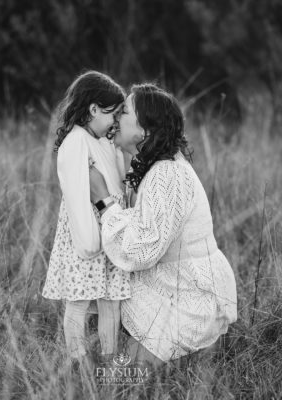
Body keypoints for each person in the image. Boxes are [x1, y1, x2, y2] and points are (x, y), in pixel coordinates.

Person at [89, 83, 238, 364]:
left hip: (190, 300)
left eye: (124, 112)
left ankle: (196, 354)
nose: (115, 118)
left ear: (145, 129)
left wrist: (102, 202)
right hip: (172, 285)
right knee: (95, 313)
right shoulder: (150, 167)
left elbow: (141, 251)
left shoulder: (167, 174)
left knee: (124, 378)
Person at [42, 71, 131, 363]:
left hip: (110, 232)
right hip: (86, 239)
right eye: (112, 114)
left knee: (111, 301)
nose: (116, 121)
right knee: (78, 302)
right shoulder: (76, 142)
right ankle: (77, 363)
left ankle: (109, 360)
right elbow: (77, 197)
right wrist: (91, 243)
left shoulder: (104, 140)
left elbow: (116, 184)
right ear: (93, 109)